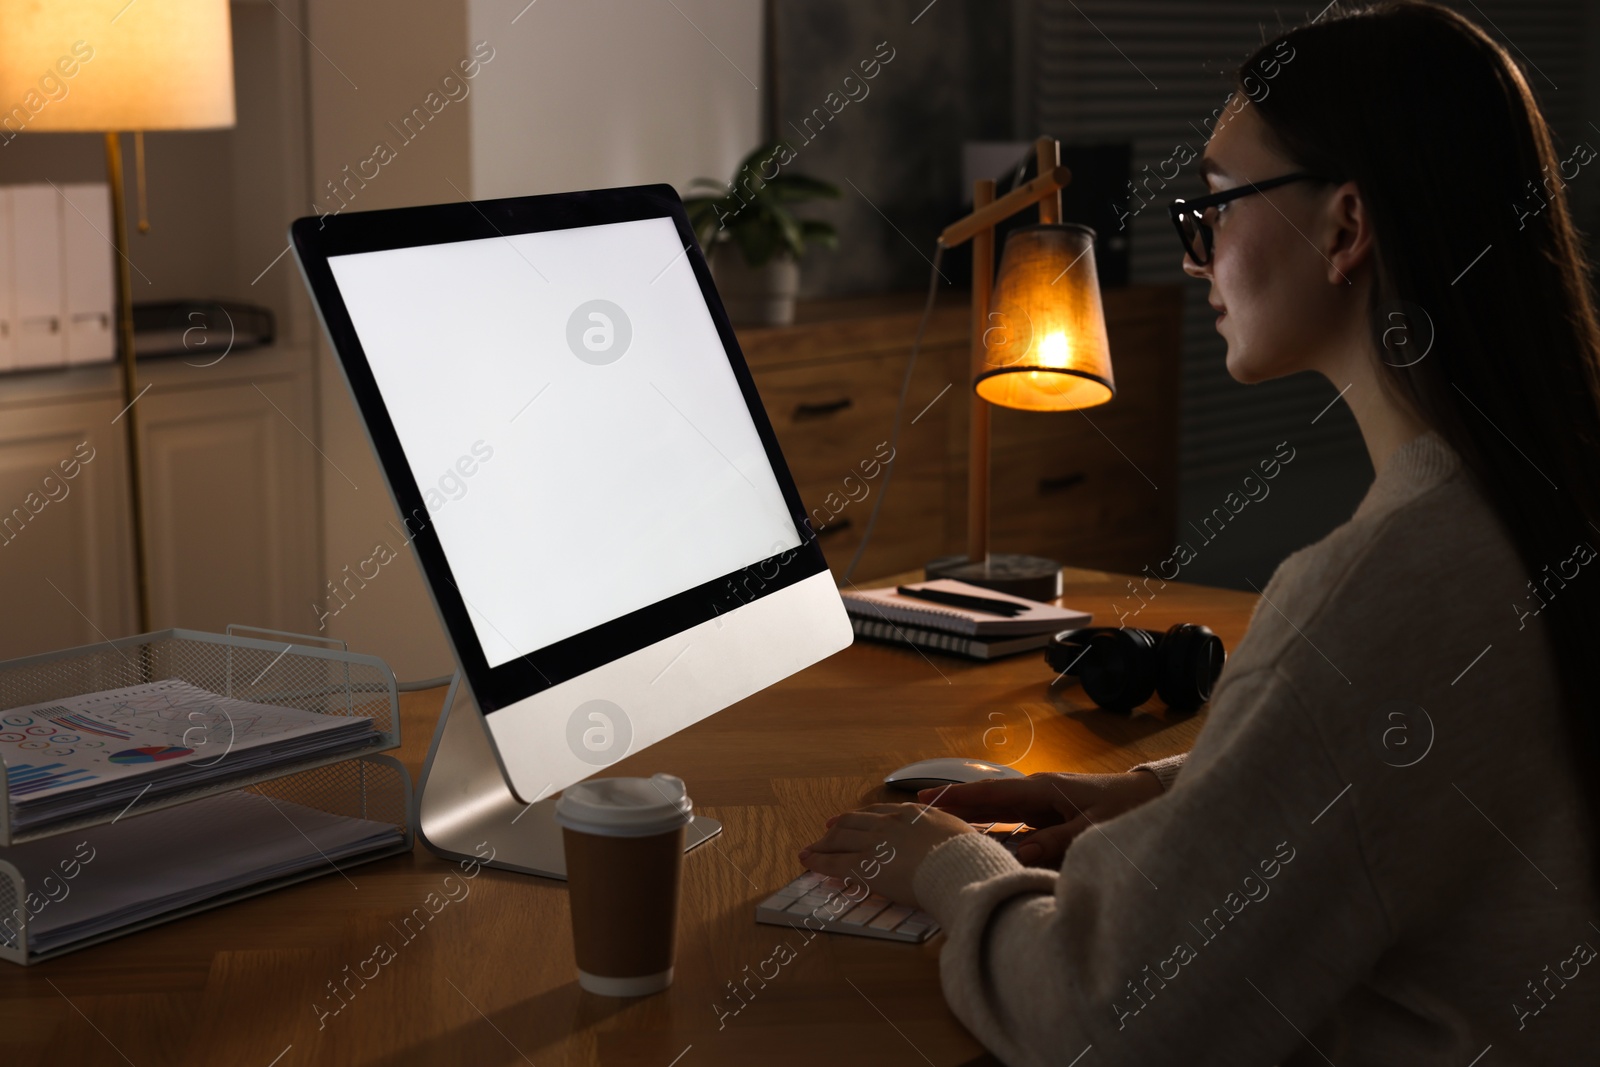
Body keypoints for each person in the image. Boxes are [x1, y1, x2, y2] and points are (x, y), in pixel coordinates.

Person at [799, 3, 1600, 1063]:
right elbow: (1411, 775)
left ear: (1346, 227)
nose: (1194, 256)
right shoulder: (1536, 496)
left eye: (1217, 203)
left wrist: (949, 869)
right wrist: (1154, 791)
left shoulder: (1385, 581)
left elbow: (1105, 1023)